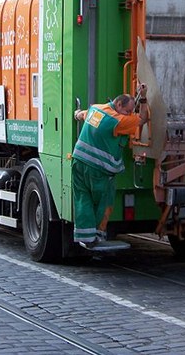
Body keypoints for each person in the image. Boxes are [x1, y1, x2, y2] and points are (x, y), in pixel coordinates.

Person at [72, 85, 149, 248]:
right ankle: (96, 235)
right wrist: (143, 97)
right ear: (119, 105)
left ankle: (84, 236)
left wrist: (76, 114)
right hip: (98, 169)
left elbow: (82, 115)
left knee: (82, 198)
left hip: (78, 162)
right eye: (128, 110)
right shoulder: (118, 120)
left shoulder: (97, 110)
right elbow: (143, 118)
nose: (129, 114)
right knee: (102, 201)